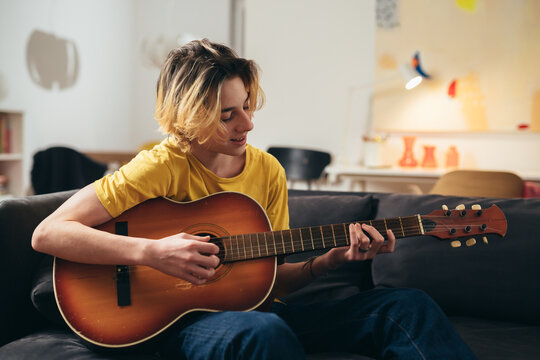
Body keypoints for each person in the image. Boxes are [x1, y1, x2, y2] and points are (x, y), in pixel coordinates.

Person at [32, 39, 476, 360]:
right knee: (261, 331)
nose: (247, 123)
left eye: (247, 105)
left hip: (260, 314)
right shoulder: (161, 166)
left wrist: (332, 261)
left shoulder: (266, 170)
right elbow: (48, 233)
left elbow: (274, 281)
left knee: (406, 306)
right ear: (190, 115)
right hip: (170, 322)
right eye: (228, 115)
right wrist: (153, 251)